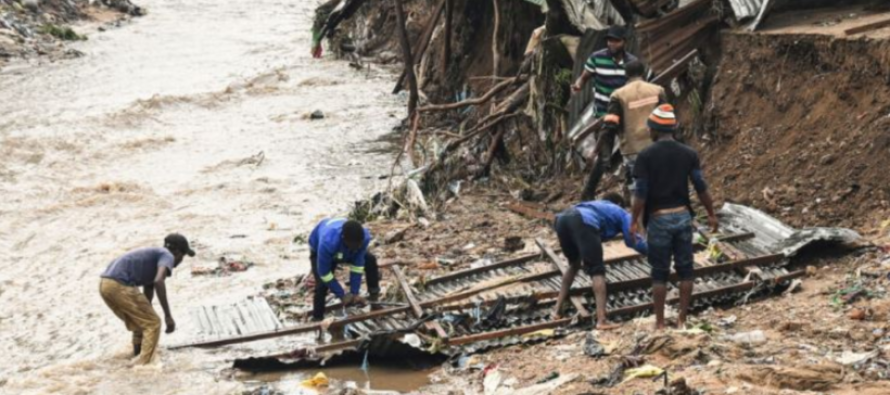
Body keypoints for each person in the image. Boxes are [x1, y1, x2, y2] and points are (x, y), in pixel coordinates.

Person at [630, 104, 718, 331]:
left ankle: (659, 323)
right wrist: (710, 213)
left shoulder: (645, 156)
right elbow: (700, 186)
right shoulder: (689, 154)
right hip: (682, 218)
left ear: (654, 130)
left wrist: (634, 221)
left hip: (659, 219)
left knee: (659, 274)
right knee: (686, 270)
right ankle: (682, 320)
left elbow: (640, 194)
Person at [552, 193, 648, 330]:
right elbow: (632, 240)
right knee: (597, 270)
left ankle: (556, 310)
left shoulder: (595, 205)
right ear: (619, 204)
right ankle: (602, 320)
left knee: (574, 264)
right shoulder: (620, 211)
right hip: (583, 221)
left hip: (562, 219)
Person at [99, 233, 195, 364]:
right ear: (177, 252)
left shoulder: (153, 255)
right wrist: (168, 316)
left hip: (106, 285)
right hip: (120, 285)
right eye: (182, 257)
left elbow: (149, 287)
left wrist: (147, 308)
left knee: (141, 322)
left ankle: (136, 356)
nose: (179, 261)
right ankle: (144, 366)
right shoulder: (167, 255)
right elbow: (158, 281)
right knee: (153, 323)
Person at [571, 25, 639, 201]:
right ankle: (588, 193)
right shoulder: (597, 58)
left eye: (615, 40)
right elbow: (584, 76)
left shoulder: (631, 63)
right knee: (603, 158)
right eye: (609, 40)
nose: (611, 43)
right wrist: (578, 85)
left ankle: (630, 192)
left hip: (625, 117)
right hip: (602, 117)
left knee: (630, 154)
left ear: (624, 42)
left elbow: (637, 87)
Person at [595, 60, 668, 202]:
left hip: (632, 148)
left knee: (637, 187)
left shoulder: (618, 95)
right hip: (656, 146)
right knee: (660, 182)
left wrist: (601, 147)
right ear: (643, 72)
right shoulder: (658, 90)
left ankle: (639, 220)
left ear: (626, 74)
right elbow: (667, 117)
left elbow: (611, 124)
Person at [308, 218, 380, 321]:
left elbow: (357, 266)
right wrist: (341, 294)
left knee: (370, 260)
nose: (356, 249)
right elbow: (324, 273)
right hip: (321, 249)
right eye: (354, 246)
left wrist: (354, 293)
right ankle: (317, 318)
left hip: (344, 251)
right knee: (321, 286)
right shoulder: (327, 242)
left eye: (358, 246)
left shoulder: (364, 238)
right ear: (343, 239)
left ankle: (374, 300)